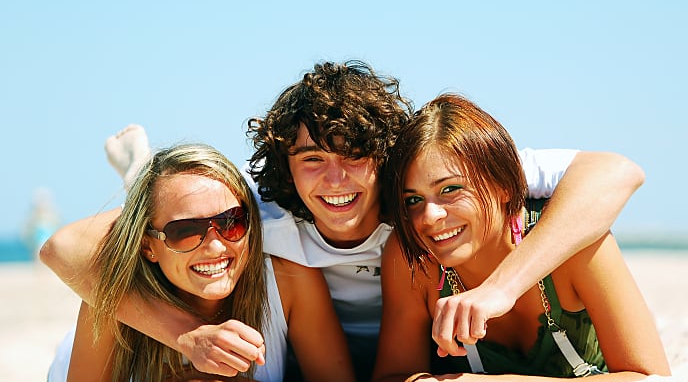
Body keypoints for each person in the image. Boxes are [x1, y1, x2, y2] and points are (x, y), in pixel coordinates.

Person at [41, 61, 646, 381]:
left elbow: (616, 171)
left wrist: (502, 285)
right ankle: (143, 183)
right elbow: (65, 246)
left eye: (355, 155)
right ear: (286, 168)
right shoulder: (255, 215)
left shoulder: (428, 198)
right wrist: (182, 334)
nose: (335, 181)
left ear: (385, 154)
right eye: (312, 160)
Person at [372, 94, 670, 381]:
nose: (429, 216)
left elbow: (651, 378)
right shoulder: (415, 258)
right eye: (413, 200)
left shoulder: (576, 245)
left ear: (505, 187)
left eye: (450, 189)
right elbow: (392, 376)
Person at [46, 143, 354, 382]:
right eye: (185, 231)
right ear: (148, 246)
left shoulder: (286, 279)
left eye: (231, 222)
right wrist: (188, 336)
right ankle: (138, 180)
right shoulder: (115, 295)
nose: (216, 245)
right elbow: (59, 246)